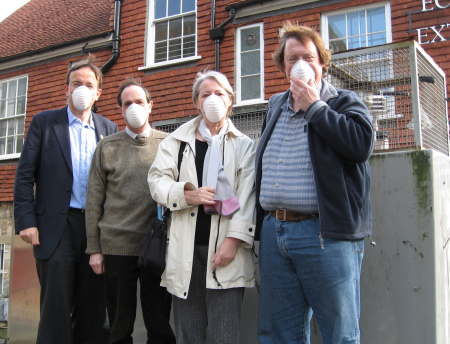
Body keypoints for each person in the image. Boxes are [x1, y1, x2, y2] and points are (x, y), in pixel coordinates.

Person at [255, 22, 374, 344]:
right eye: (292, 59)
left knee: (340, 333)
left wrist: (315, 107)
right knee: (279, 333)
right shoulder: (275, 105)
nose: (300, 64)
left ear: (322, 62)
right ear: (283, 67)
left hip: (325, 235)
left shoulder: (343, 101)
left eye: (308, 56)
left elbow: (361, 146)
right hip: (274, 233)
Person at [13, 55, 118, 343]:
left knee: (92, 309)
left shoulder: (109, 129)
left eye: (88, 84)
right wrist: (26, 221)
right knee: (55, 309)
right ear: (66, 89)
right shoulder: (44, 123)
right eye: (76, 83)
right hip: (54, 228)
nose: (81, 89)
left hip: (95, 230)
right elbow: (24, 175)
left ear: (98, 93)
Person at [148, 70, 256, 344]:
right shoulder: (176, 142)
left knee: (224, 335)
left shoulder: (244, 145)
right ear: (196, 102)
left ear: (230, 100)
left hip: (225, 253)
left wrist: (233, 242)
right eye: (205, 94)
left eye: (219, 93)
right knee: (189, 334)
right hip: (185, 251)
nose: (212, 100)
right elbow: (157, 181)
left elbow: (248, 197)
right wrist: (187, 194)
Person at [85, 78, 176, 344]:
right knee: (119, 327)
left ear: (150, 106)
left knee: (159, 324)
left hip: (156, 247)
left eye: (139, 102)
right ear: (120, 110)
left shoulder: (169, 144)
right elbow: (94, 200)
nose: (133, 107)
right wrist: (94, 249)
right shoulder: (107, 147)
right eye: (127, 103)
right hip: (116, 247)